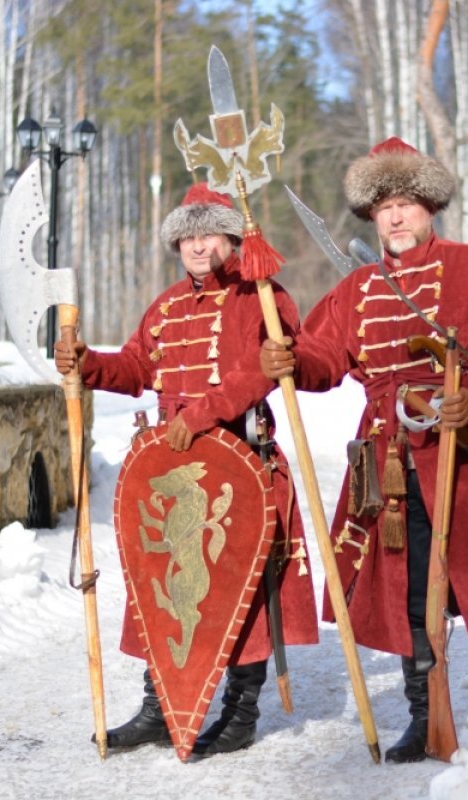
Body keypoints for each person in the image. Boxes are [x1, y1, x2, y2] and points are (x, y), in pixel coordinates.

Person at [260, 137, 468, 764]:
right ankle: (425, 716)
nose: (395, 216)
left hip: (462, 449)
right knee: (408, 588)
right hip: (387, 460)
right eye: (383, 205)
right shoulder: (358, 289)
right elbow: (324, 357)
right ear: (370, 215)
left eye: (407, 202)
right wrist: (288, 358)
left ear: (429, 206)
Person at [55, 183, 318, 757]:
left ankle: (241, 713)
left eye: (210, 234)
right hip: (173, 468)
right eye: (189, 236)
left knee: (240, 589)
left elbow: (262, 370)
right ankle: (160, 706)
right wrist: (88, 364)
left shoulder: (262, 296)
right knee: (161, 583)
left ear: (230, 237)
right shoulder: (167, 304)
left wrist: (203, 415)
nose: (199, 247)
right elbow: (133, 367)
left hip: (239, 459)